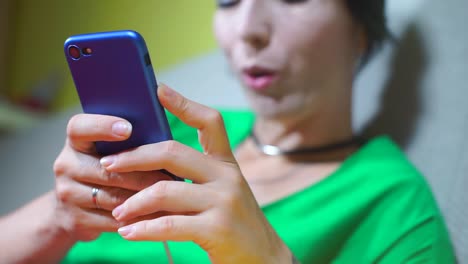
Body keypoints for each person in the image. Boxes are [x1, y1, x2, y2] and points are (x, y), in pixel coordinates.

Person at [1, 0, 456, 263]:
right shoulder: (169, 133)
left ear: (361, 30)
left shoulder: (396, 206)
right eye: (229, 1)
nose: (248, 29)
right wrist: (59, 216)